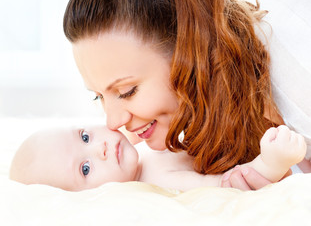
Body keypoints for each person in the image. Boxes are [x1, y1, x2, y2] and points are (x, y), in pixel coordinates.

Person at [62, 0, 311, 190]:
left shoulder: (297, 65)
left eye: (128, 91)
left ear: (189, 53)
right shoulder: (215, 108)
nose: (113, 122)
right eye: (99, 97)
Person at [9, 124, 306, 191]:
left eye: (85, 137)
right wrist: (272, 162)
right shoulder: (154, 181)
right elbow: (227, 188)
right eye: (85, 169)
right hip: (277, 160)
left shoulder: (135, 149)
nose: (99, 148)